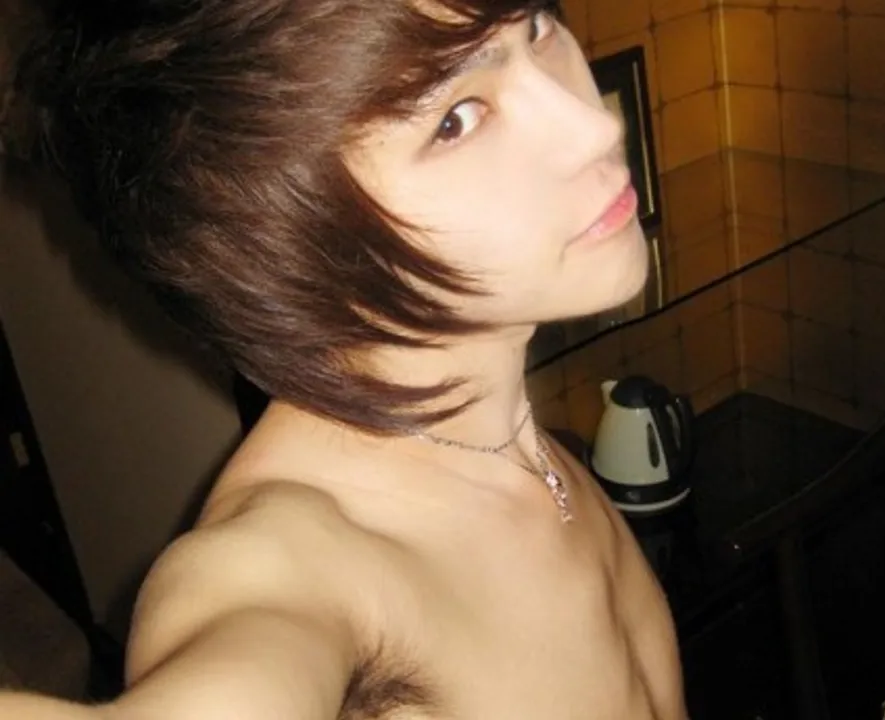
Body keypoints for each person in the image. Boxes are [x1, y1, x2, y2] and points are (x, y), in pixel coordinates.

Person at [1, 0, 687, 717]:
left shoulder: (502, 439)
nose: (594, 128)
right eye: (455, 120)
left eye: (537, 28)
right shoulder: (302, 568)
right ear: (282, 244)